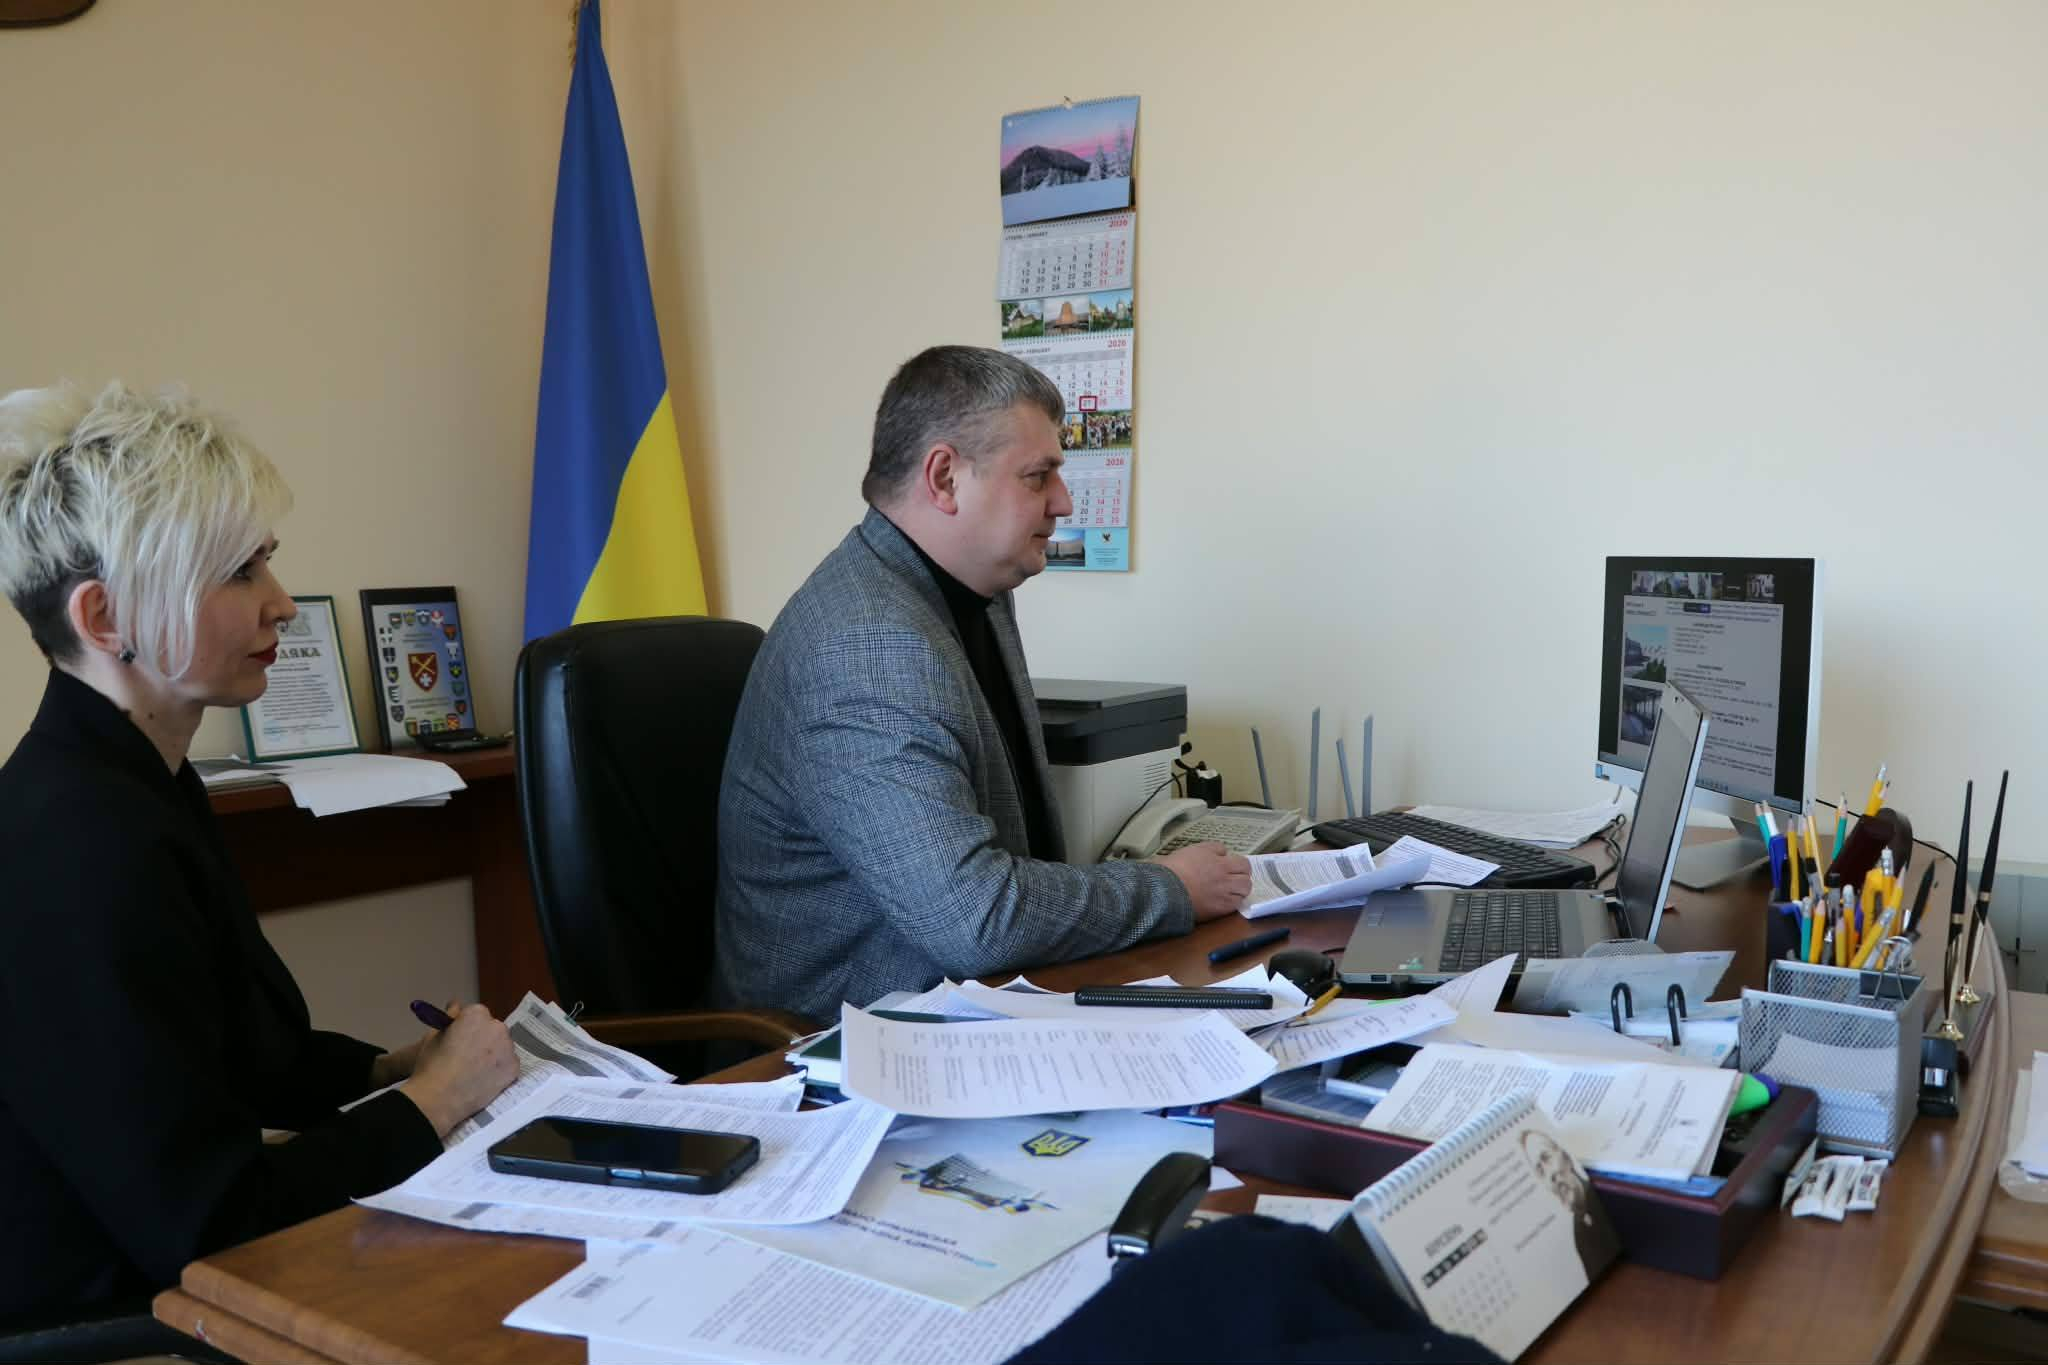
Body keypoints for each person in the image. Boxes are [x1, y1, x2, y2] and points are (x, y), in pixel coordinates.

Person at [0, 383, 519, 1328]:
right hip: (116, 1323)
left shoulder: (139, 783)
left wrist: (390, 1070)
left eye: (266, 560)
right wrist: (435, 1101)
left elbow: (242, 1055)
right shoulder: (73, 847)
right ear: (105, 617)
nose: (281, 604)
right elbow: (212, 1225)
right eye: (238, 572)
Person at [716, 346, 1250, 1018]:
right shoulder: (866, 646)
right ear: (944, 478)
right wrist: (1170, 887)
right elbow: (978, 918)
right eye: (1038, 476)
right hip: (845, 1041)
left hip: (978, 1000)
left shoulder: (976, 594)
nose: (1064, 502)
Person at [1521, 1128, 1616, 1278]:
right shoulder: (1579, 1234)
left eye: (1547, 1157)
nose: (1550, 1175)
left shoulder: (1606, 1193)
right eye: (1540, 1170)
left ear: (1566, 1156)